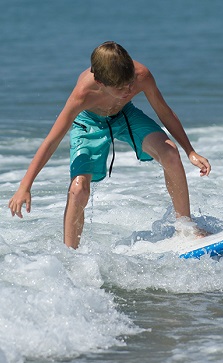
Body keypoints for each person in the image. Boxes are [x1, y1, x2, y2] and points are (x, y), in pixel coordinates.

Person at [8, 41, 211, 249]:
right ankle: (70, 255)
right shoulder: (82, 95)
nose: (129, 90)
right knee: (79, 189)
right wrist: (25, 186)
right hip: (88, 122)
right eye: (121, 88)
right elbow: (51, 141)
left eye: (130, 83)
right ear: (100, 81)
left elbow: (164, 111)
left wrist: (190, 151)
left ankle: (186, 228)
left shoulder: (141, 75)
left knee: (170, 153)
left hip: (124, 114)